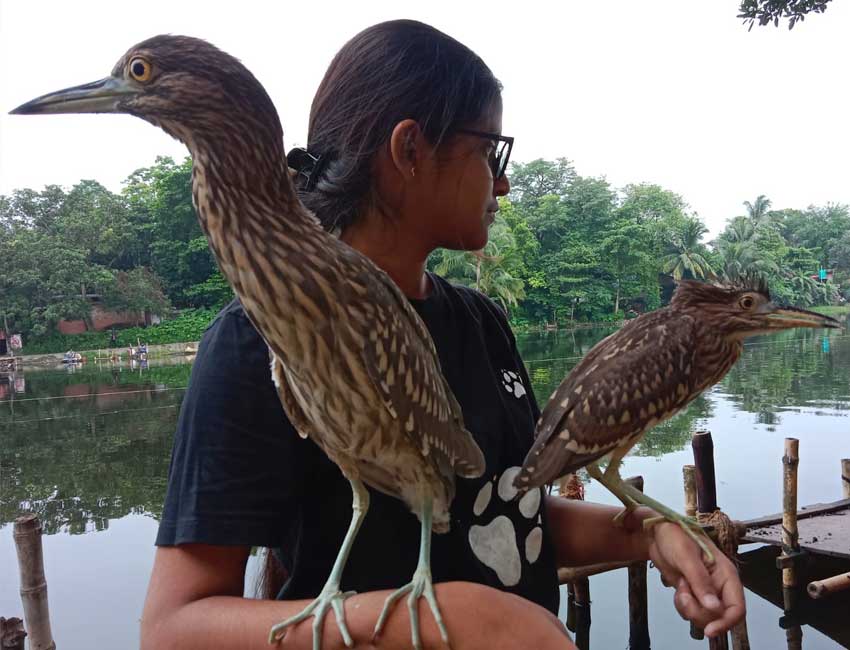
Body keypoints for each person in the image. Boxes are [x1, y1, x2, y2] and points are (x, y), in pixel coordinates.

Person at [140, 19, 744, 650]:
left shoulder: (480, 323)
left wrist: (648, 534)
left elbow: (505, 511)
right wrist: (448, 621)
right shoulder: (257, 338)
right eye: (490, 151)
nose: (502, 182)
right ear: (409, 150)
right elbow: (175, 630)